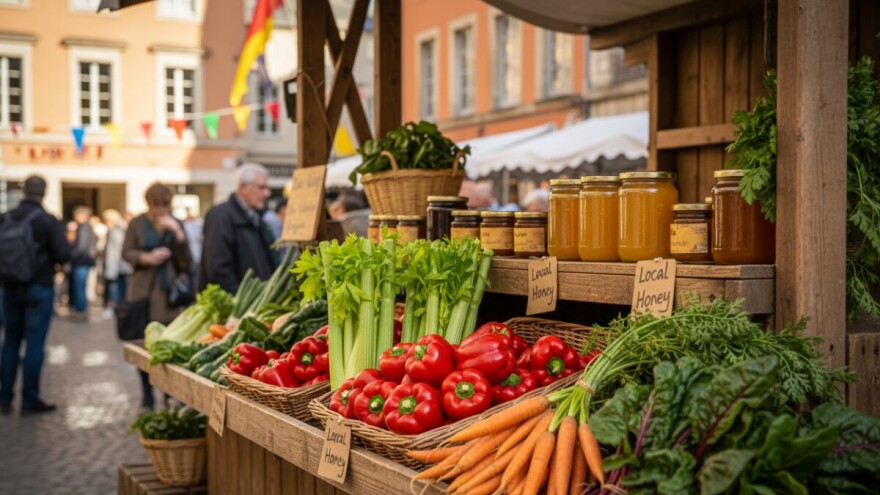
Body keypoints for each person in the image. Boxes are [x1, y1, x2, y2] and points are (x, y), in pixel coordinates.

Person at [0, 176, 71, 414]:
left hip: (9, 287)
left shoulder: (6, 217)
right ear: (44, 193)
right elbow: (63, 253)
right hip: (38, 286)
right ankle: (30, 398)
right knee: (34, 343)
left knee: (10, 341)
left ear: (23, 191)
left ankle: (4, 396)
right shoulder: (47, 221)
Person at [122, 183, 193, 411]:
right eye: (155, 206)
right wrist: (146, 257)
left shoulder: (176, 224)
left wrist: (178, 234)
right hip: (142, 291)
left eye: (163, 206)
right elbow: (126, 252)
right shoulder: (137, 223)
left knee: (167, 344)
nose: (159, 211)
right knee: (143, 344)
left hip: (167, 296)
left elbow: (187, 262)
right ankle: (147, 394)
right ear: (149, 204)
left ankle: (169, 391)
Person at [199, 163, 278, 294]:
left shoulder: (257, 218)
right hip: (238, 308)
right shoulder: (221, 216)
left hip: (255, 305)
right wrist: (241, 303)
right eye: (262, 187)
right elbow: (219, 269)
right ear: (243, 186)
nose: (267, 193)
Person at [69, 206, 97, 322]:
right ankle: (81, 309)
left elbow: (81, 247)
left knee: (79, 287)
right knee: (81, 286)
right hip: (84, 261)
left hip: (81, 261)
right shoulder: (88, 227)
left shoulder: (84, 227)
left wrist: (71, 255)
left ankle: (81, 310)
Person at [101, 209, 130, 320]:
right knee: (118, 288)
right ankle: (118, 308)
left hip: (119, 265)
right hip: (118, 264)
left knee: (117, 288)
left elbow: (118, 249)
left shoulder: (118, 230)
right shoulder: (116, 229)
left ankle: (118, 309)